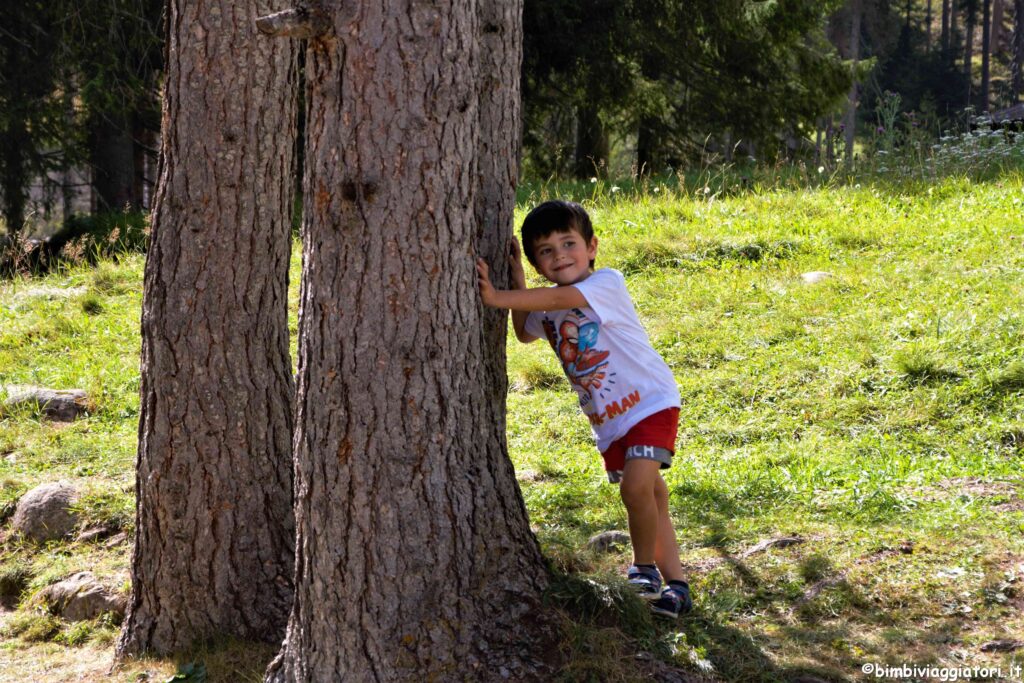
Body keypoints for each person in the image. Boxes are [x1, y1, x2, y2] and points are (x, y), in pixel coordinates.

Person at [476, 199, 692, 618]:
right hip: (611, 421)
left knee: (635, 490)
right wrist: (515, 279)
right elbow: (524, 331)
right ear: (539, 265)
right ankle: (678, 586)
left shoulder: (604, 284)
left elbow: (563, 300)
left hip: (649, 403)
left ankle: (643, 568)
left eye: (568, 243)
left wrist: (498, 295)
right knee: (653, 499)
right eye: (546, 251)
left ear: (592, 246)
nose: (560, 255)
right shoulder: (544, 302)